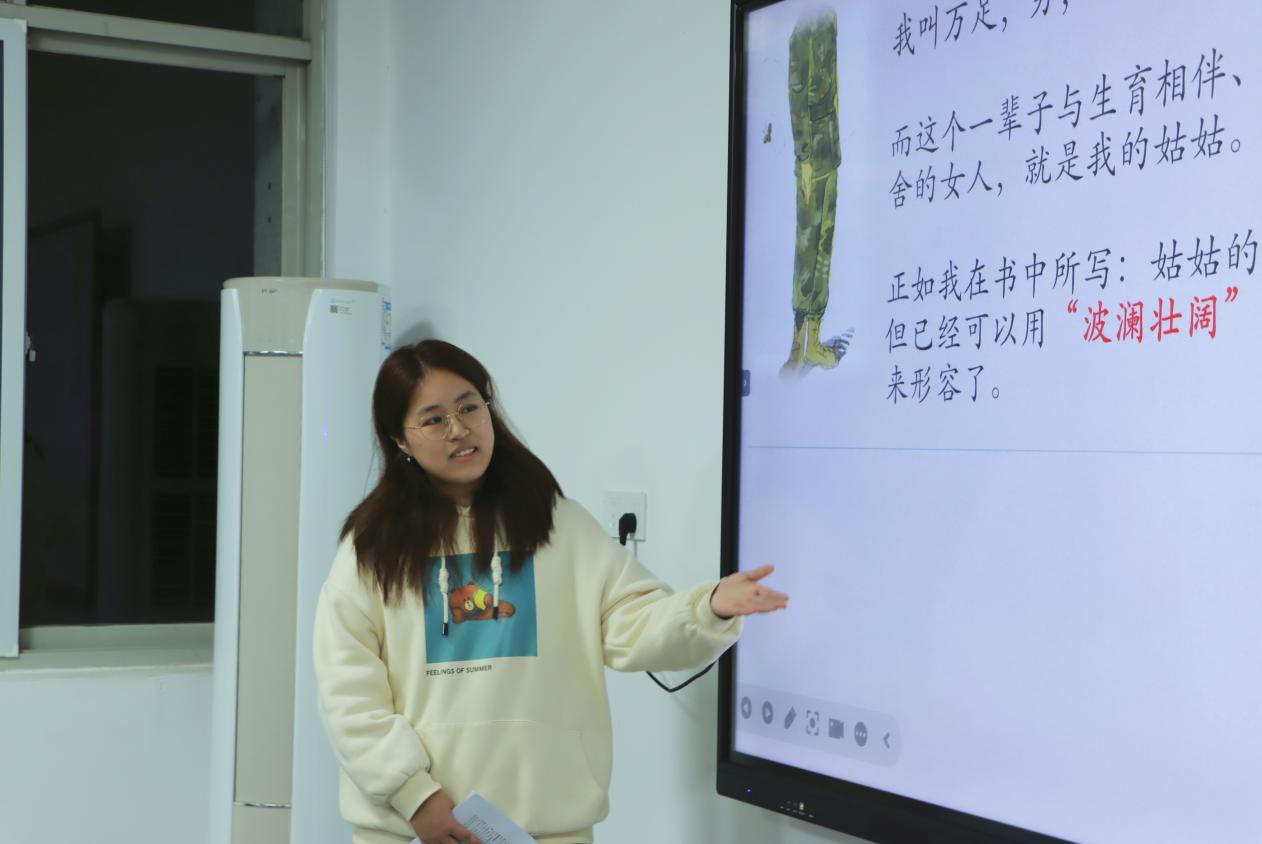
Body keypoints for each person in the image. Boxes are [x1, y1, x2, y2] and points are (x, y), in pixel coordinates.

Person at [313, 340, 788, 844]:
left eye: (469, 407)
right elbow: (348, 695)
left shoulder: (557, 525)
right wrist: (415, 796)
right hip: (415, 830)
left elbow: (632, 624)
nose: (459, 429)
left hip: (547, 829)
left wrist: (708, 607)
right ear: (400, 440)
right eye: (433, 420)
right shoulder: (372, 550)